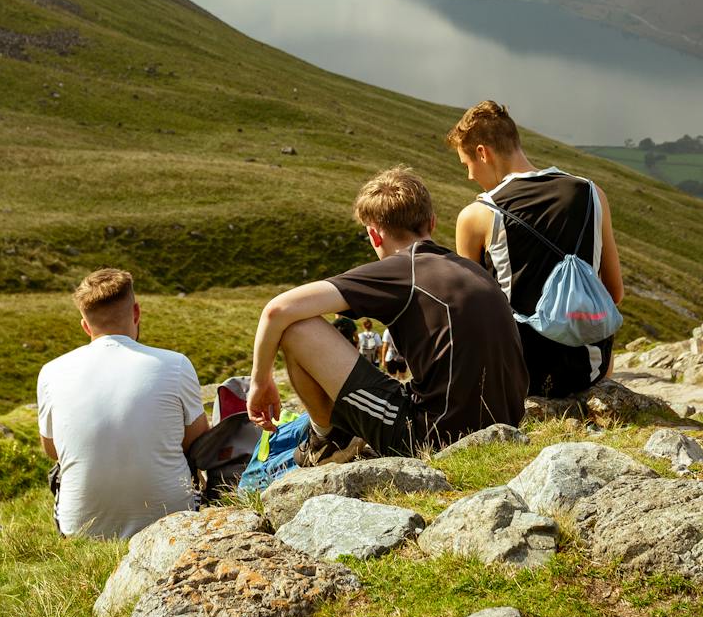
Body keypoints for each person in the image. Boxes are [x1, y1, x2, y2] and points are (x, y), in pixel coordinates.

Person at [246, 166, 528, 463]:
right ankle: (335, 433)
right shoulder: (470, 268)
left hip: (433, 438)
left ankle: (328, 439)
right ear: (431, 221)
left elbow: (277, 310)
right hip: (504, 424)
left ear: (374, 235)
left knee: (296, 328)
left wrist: (260, 382)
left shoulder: (403, 269)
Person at [450, 100, 625, 399]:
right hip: (590, 369)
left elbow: (472, 315)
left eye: (467, 165)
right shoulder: (591, 192)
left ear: (483, 153)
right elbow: (615, 293)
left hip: (520, 375)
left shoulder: (478, 215)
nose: (469, 176)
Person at [36, 267, 210, 539]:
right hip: (172, 520)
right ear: (136, 313)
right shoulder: (176, 364)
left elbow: (53, 450)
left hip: (80, 530)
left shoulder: (51, 372)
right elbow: (196, 442)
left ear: (85, 326)